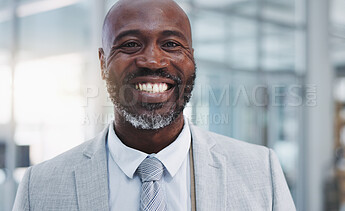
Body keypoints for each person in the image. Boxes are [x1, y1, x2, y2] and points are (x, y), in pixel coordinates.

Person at [13, 0, 296, 210]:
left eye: (172, 44)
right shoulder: (39, 188)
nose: (152, 60)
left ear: (192, 59)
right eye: (131, 44)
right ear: (102, 63)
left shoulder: (261, 173)